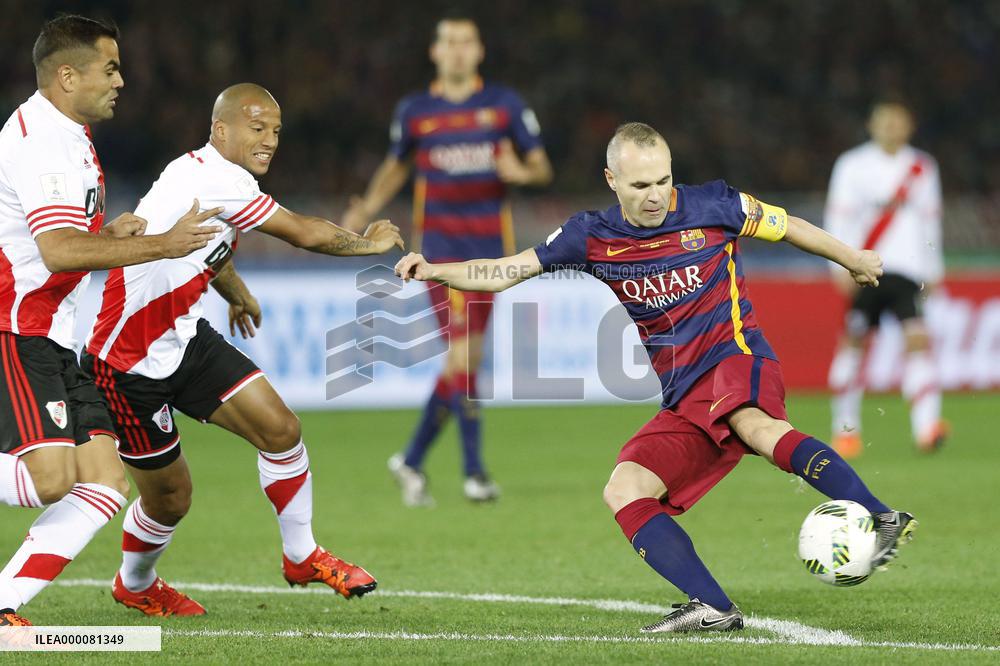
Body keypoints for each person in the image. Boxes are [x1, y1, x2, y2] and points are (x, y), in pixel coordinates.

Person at [394, 123, 917, 633]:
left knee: (756, 425)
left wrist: (850, 258)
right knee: (625, 487)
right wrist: (438, 270)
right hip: (685, 395)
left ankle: (880, 515)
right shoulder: (591, 235)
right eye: (640, 185)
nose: (655, 195)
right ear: (612, 181)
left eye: (663, 181)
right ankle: (712, 606)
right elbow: (509, 269)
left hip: (736, 356)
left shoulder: (714, 204)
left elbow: (789, 225)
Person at [80, 83, 403, 617]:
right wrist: (366, 243)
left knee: (282, 431)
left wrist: (237, 293)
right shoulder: (219, 179)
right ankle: (134, 584)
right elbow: (303, 233)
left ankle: (302, 556)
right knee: (170, 499)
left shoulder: (198, 173)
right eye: (257, 127)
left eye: (276, 130)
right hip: (128, 362)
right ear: (221, 129)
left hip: (183, 338)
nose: (270, 140)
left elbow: (209, 246)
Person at [0, 15, 223, 627]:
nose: (121, 80)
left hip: (55, 336)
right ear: (67, 75)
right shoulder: (43, 141)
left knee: (102, 485)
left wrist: (105, 233)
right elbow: (57, 253)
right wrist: (163, 244)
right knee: (50, 480)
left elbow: (58, 238)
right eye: (110, 67)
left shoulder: (68, 133)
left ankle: (2, 605)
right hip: (16, 327)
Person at [342, 13, 552, 506]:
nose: (457, 50)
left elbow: (542, 167)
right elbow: (397, 166)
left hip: (491, 258)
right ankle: (474, 473)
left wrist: (518, 171)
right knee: (462, 358)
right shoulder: (416, 111)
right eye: (449, 42)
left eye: (466, 42)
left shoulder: (503, 106)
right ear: (435, 52)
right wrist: (367, 207)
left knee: (467, 362)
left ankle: (412, 462)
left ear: (478, 51)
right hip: (436, 256)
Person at [824, 100, 946, 458]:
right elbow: (838, 217)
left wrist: (934, 269)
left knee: (918, 341)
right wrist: (839, 265)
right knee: (853, 343)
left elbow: (931, 221)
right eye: (885, 121)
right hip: (865, 267)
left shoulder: (923, 166)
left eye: (898, 121)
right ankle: (845, 431)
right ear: (872, 125)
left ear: (909, 126)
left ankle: (927, 427)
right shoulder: (852, 164)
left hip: (907, 269)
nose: (892, 127)